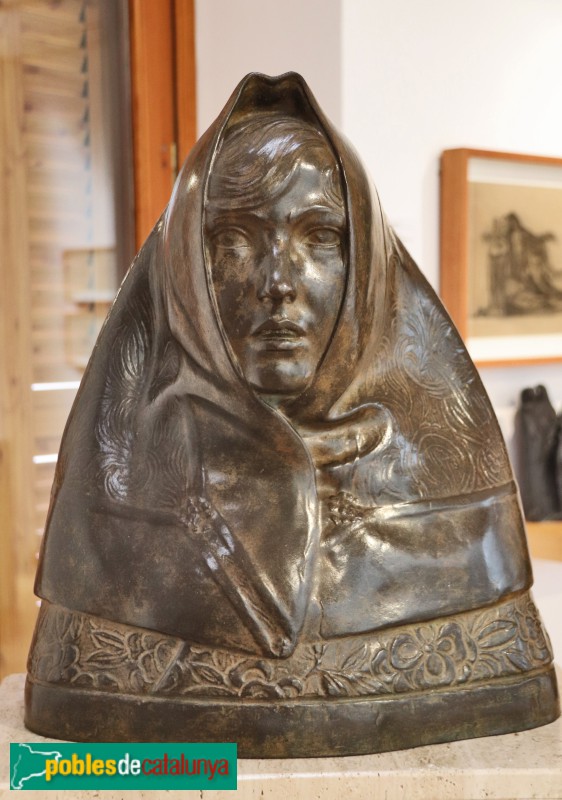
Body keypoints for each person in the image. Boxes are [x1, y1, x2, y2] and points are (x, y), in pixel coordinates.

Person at [26, 72, 558, 754]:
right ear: (185, 267)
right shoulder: (125, 488)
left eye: (320, 236)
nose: (278, 282)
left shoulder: (445, 478)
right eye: (235, 239)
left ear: (367, 266)